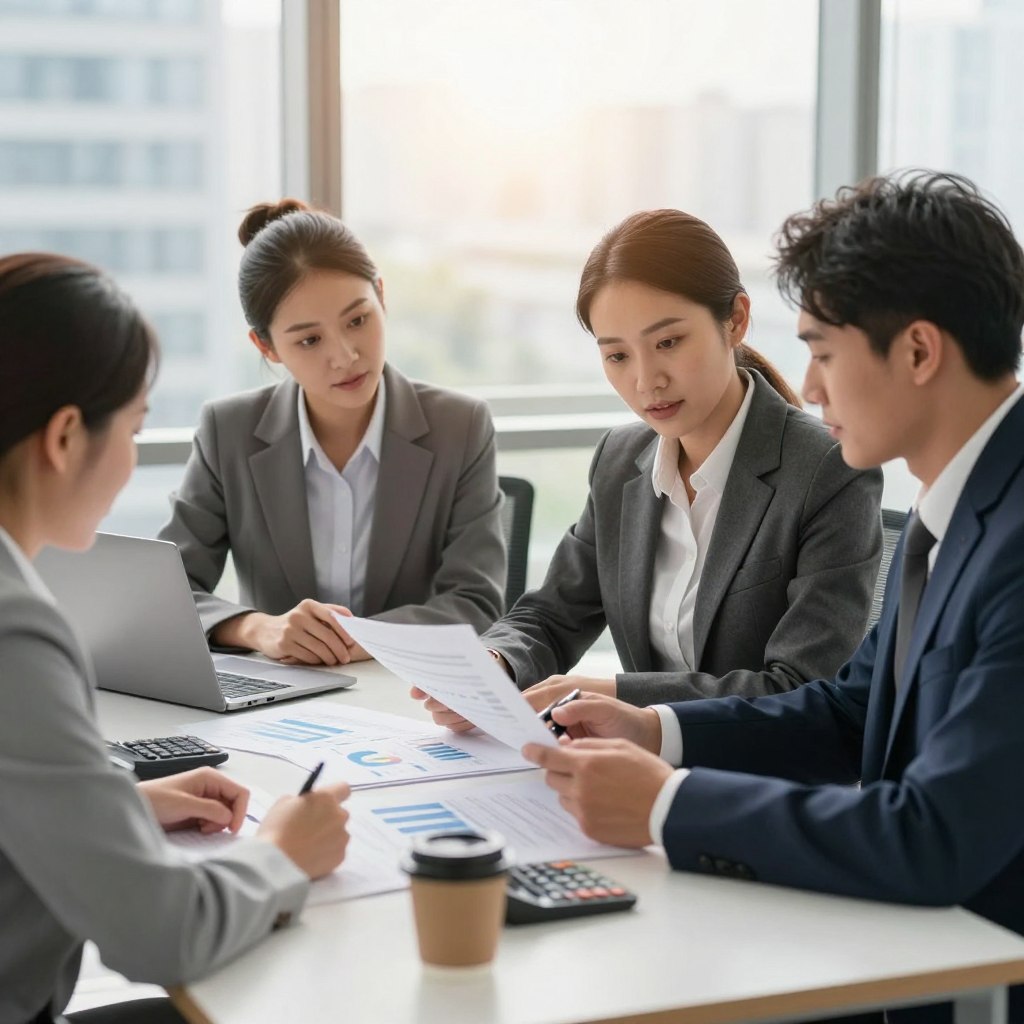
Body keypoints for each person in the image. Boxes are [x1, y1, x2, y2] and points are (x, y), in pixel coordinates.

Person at [523, 172, 1024, 1024]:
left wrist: (666, 804)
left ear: (917, 351)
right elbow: (848, 709)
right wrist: (654, 728)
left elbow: (932, 836)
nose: (811, 386)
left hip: (961, 976)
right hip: (898, 942)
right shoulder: (957, 511)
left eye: (824, 352)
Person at [0, 253, 351, 1024]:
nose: (132, 458)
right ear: (64, 438)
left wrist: (111, 805)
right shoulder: (15, 628)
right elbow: (162, 933)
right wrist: (281, 854)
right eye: (134, 427)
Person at [414, 208, 882, 730]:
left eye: (668, 343)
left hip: (761, 784)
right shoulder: (620, 460)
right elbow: (552, 614)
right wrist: (497, 663)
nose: (646, 381)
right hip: (635, 770)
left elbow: (800, 687)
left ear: (736, 320)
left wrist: (614, 695)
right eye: (617, 356)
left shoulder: (827, 471)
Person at [158, 199, 505, 667]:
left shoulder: (459, 427)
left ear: (381, 295)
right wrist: (261, 628)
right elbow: (170, 589)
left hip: (412, 693)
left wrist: (360, 638)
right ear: (266, 346)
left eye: (358, 320)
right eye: (309, 340)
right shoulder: (229, 432)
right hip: (281, 699)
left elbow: (475, 601)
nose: (344, 356)